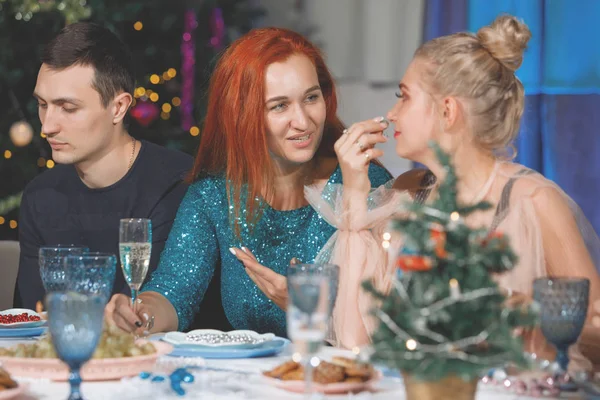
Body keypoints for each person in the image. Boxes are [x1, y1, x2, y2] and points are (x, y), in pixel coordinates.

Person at [313, 15, 600, 370]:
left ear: (447, 111)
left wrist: (532, 312)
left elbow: (594, 330)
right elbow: (356, 340)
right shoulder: (407, 194)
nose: (391, 113)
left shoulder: (533, 201)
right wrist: (355, 189)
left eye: (404, 97)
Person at [105, 27, 392, 338]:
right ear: (241, 114)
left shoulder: (364, 183)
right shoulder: (214, 194)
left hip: (336, 377)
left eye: (311, 97)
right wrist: (139, 314)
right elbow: (174, 289)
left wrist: (305, 307)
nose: (304, 121)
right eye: (279, 106)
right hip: (253, 381)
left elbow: (387, 325)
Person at [15, 23, 193, 310]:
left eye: (68, 108)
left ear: (119, 107)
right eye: (42, 104)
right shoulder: (40, 196)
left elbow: (165, 311)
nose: (47, 126)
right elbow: (31, 320)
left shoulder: (179, 185)